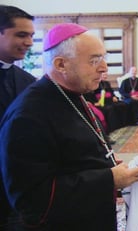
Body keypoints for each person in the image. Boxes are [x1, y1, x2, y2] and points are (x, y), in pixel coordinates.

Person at [0, 23, 138, 230]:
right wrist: (108, 178)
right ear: (61, 65)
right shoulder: (28, 115)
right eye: (94, 60)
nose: (104, 68)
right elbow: (32, 200)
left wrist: (105, 164)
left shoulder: (71, 96)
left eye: (103, 58)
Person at [0, 5, 36, 228]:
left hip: (17, 182)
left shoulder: (28, 81)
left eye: (31, 35)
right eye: (21, 35)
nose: (30, 42)